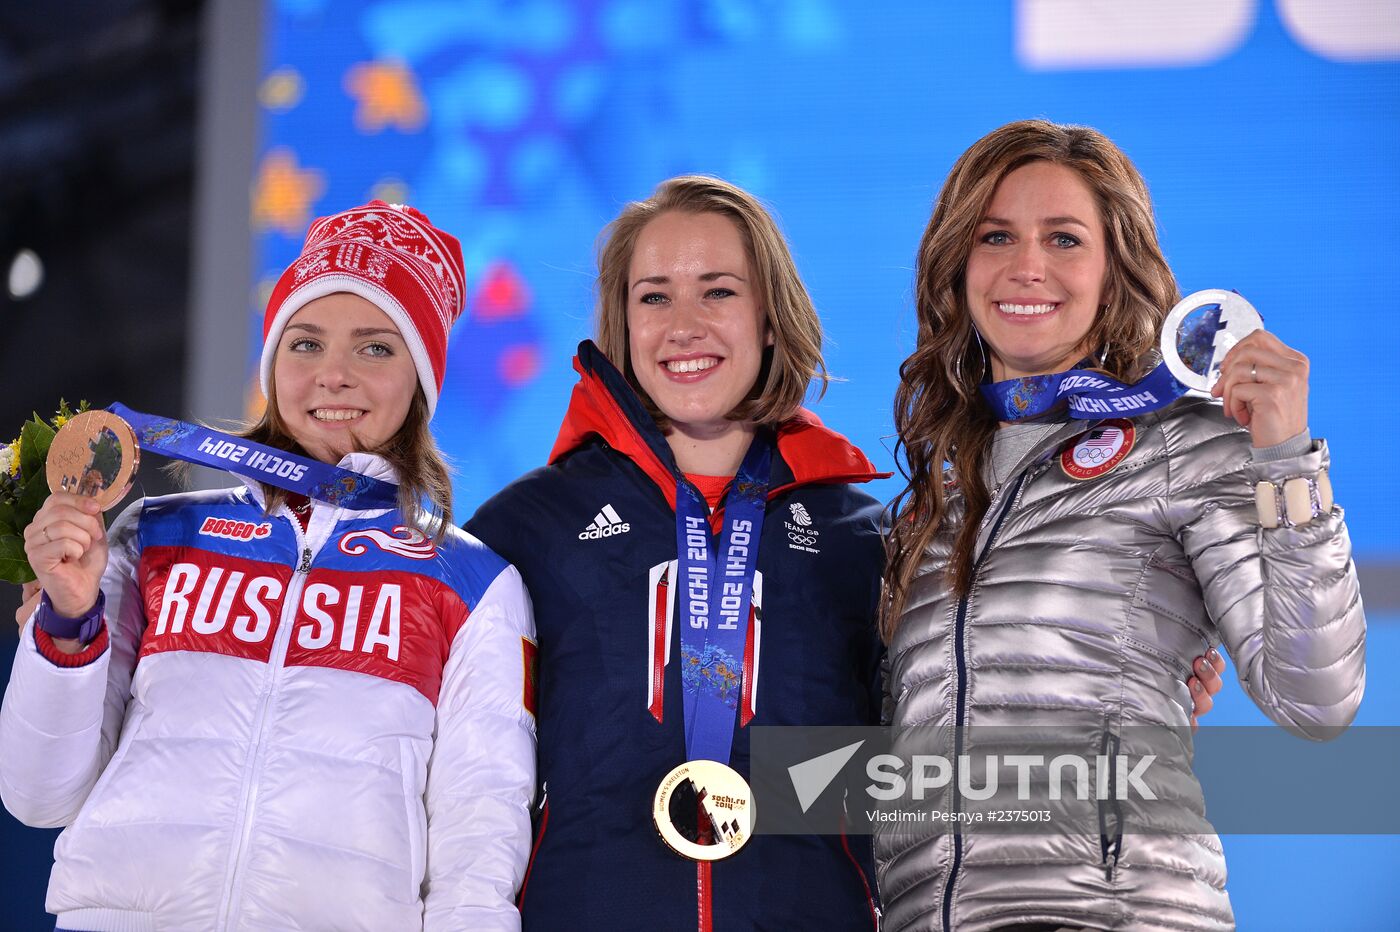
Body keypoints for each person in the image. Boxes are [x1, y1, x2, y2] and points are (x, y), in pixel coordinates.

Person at [876, 120, 1365, 932]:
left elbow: (1317, 696)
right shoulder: (932, 503)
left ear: (1113, 271)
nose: (1026, 266)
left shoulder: (1183, 443)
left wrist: (1285, 459)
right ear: (957, 266)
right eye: (996, 236)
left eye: (1064, 239)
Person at [0, 202, 537, 930]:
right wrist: (67, 621)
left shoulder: (470, 586)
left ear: (422, 378)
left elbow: (479, 848)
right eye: (305, 342)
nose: (333, 375)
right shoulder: (156, 535)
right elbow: (38, 795)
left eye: (377, 348)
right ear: (272, 361)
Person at [466, 176, 888, 930]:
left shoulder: (862, 536)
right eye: (654, 296)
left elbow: (921, 764)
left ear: (769, 318)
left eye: (718, 292)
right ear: (622, 324)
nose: (683, 325)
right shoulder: (527, 527)